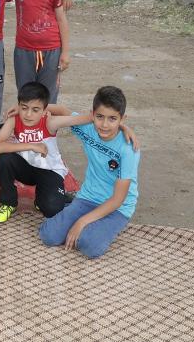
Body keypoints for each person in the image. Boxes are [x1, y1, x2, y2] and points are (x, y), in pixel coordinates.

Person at [39, 86, 141, 259]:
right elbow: (63, 111)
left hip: (117, 208)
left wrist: (81, 222)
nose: (105, 124)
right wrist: (30, 107)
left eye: (112, 119)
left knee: (89, 246)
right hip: (87, 197)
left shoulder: (128, 149)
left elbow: (118, 199)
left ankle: (88, 223)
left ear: (122, 119)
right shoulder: (88, 128)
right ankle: (73, 213)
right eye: (100, 117)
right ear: (92, 114)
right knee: (48, 236)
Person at [0, 82, 92, 223]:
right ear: (18, 106)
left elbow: (84, 118)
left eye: (35, 109)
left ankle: (47, 197)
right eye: (24, 108)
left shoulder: (50, 122)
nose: (28, 114)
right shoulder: (14, 120)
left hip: (49, 171)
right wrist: (31, 145)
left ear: (44, 111)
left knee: (51, 209)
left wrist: (119, 125)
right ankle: (8, 204)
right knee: (5, 159)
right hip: (26, 167)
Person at [9, 0, 71, 104]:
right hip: (23, 50)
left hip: (51, 49)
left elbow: (61, 19)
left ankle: (48, 130)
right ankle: (26, 130)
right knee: (25, 95)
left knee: (49, 96)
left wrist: (65, 52)